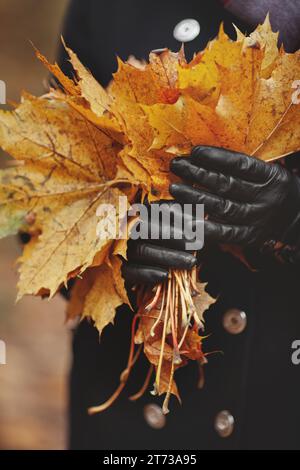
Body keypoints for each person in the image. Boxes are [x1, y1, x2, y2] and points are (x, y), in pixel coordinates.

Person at [57, 0, 300, 449]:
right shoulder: (108, 8)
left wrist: (293, 219)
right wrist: (111, 237)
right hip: (133, 422)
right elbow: (45, 205)